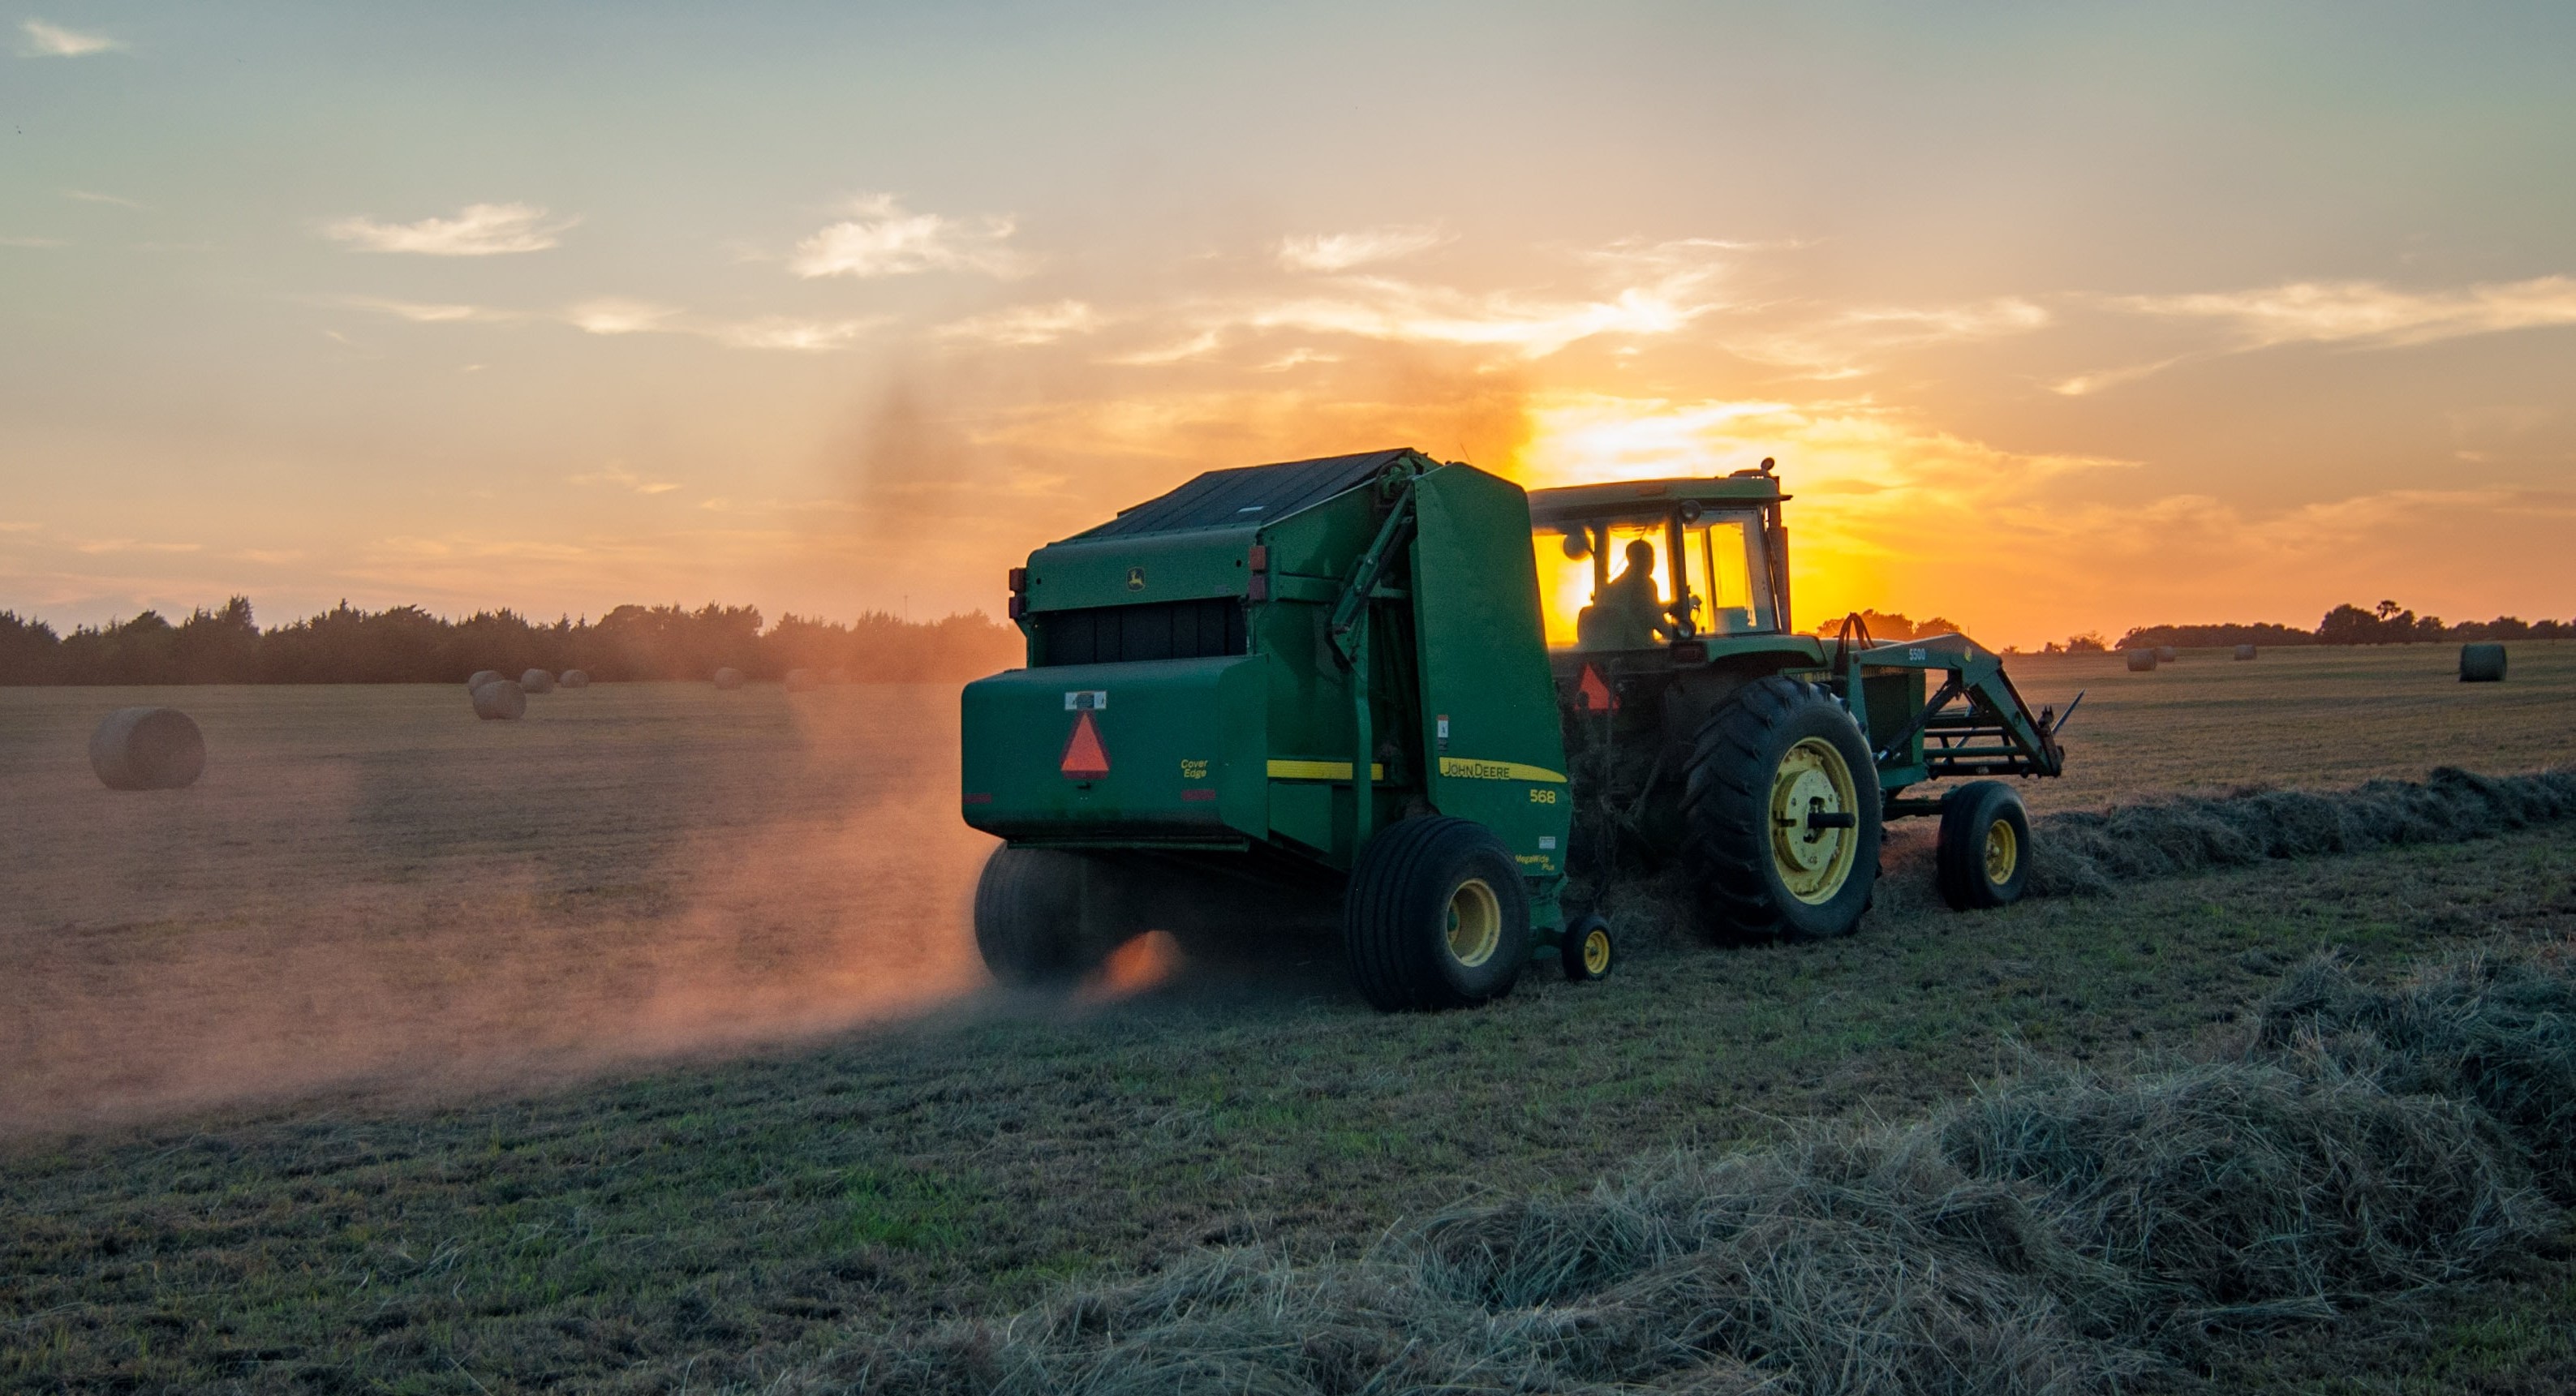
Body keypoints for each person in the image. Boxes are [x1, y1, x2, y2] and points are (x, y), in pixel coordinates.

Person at [1580, 539, 1670, 650]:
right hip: (1639, 649)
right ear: (1640, 560)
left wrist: (1666, 608)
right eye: (1650, 557)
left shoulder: (1612, 587)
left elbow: (1646, 610)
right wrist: (1679, 634)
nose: (1653, 562)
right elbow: (1655, 619)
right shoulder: (1645, 584)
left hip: (1614, 649)